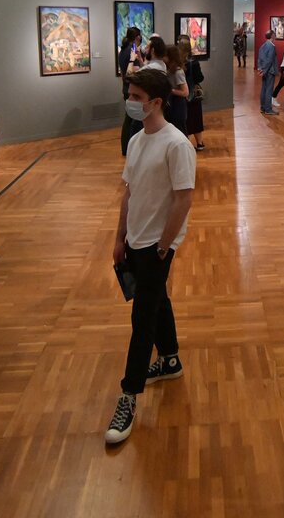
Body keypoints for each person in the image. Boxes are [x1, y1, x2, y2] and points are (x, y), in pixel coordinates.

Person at [105, 69, 196, 444]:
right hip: (136, 240)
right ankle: (170, 359)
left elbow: (183, 199)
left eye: (136, 97)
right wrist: (120, 237)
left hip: (158, 245)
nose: (130, 101)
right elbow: (129, 192)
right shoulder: (138, 140)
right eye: (130, 95)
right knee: (157, 299)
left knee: (142, 318)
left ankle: (129, 394)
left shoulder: (177, 145)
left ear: (156, 102)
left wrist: (163, 247)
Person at [119, 27, 144, 156]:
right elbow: (134, 72)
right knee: (134, 122)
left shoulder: (123, 49)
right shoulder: (132, 50)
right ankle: (132, 149)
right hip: (133, 89)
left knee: (128, 119)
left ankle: (126, 148)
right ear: (138, 37)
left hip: (126, 88)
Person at [178, 35, 206, 151]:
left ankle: (187, 144)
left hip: (181, 95)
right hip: (193, 95)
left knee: (185, 120)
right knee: (196, 119)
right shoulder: (194, 63)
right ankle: (200, 143)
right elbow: (200, 78)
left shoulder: (177, 63)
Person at [164, 44, 189, 134]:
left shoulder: (178, 72)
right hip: (172, 104)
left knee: (180, 130)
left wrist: (170, 90)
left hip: (178, 105)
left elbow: (185, 92)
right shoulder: (170, 70)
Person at [256, 30, 279, 116]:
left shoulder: (263, 46)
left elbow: (260, 59)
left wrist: (260, 69)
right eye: (274, 35)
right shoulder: (271, 46)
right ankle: (268, 109)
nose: (275, 36)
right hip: (270, 71)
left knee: (264, 89)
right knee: (269, 90)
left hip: (264, 70)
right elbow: (269, 61)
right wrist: (264, 71)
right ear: (272, 36)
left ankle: (263, 107)